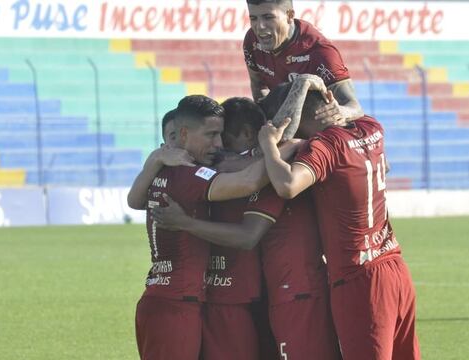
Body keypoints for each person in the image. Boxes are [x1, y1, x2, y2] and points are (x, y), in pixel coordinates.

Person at [154, 97, 341, 360]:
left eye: (224, 139)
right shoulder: (203, 168)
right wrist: (156, 157)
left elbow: (248, 232)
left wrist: (279, 148)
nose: (219, 148)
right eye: (212, 136)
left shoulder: (272, 175)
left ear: (247, 134)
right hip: (221, 297)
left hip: (266, 295)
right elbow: (135, 199)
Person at [257, 81, 421, 360]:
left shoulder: (326, 146)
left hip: (359, 279)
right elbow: (385, 164)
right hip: (394, 265)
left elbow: (287, 185)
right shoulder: (371, 127)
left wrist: (269, 145)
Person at [131, 95, 292, 360]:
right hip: (176, 303)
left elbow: (133, 200)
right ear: (183, 135)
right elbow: (249, 181)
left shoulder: (162, 169)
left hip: (166, 297)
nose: (219, 144)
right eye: (211, 135)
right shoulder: (188, 174)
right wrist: (281, 147)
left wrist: (156, 157)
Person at [244, 0, 364, 140]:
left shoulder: (320, 52)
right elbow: (258, 87)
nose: (260, 27)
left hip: (322, 136)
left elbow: (355, 107)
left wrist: (340, 112)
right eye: (254, 18)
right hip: (284, 129)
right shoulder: (251, 40)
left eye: (268, 17)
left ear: (289, 15)